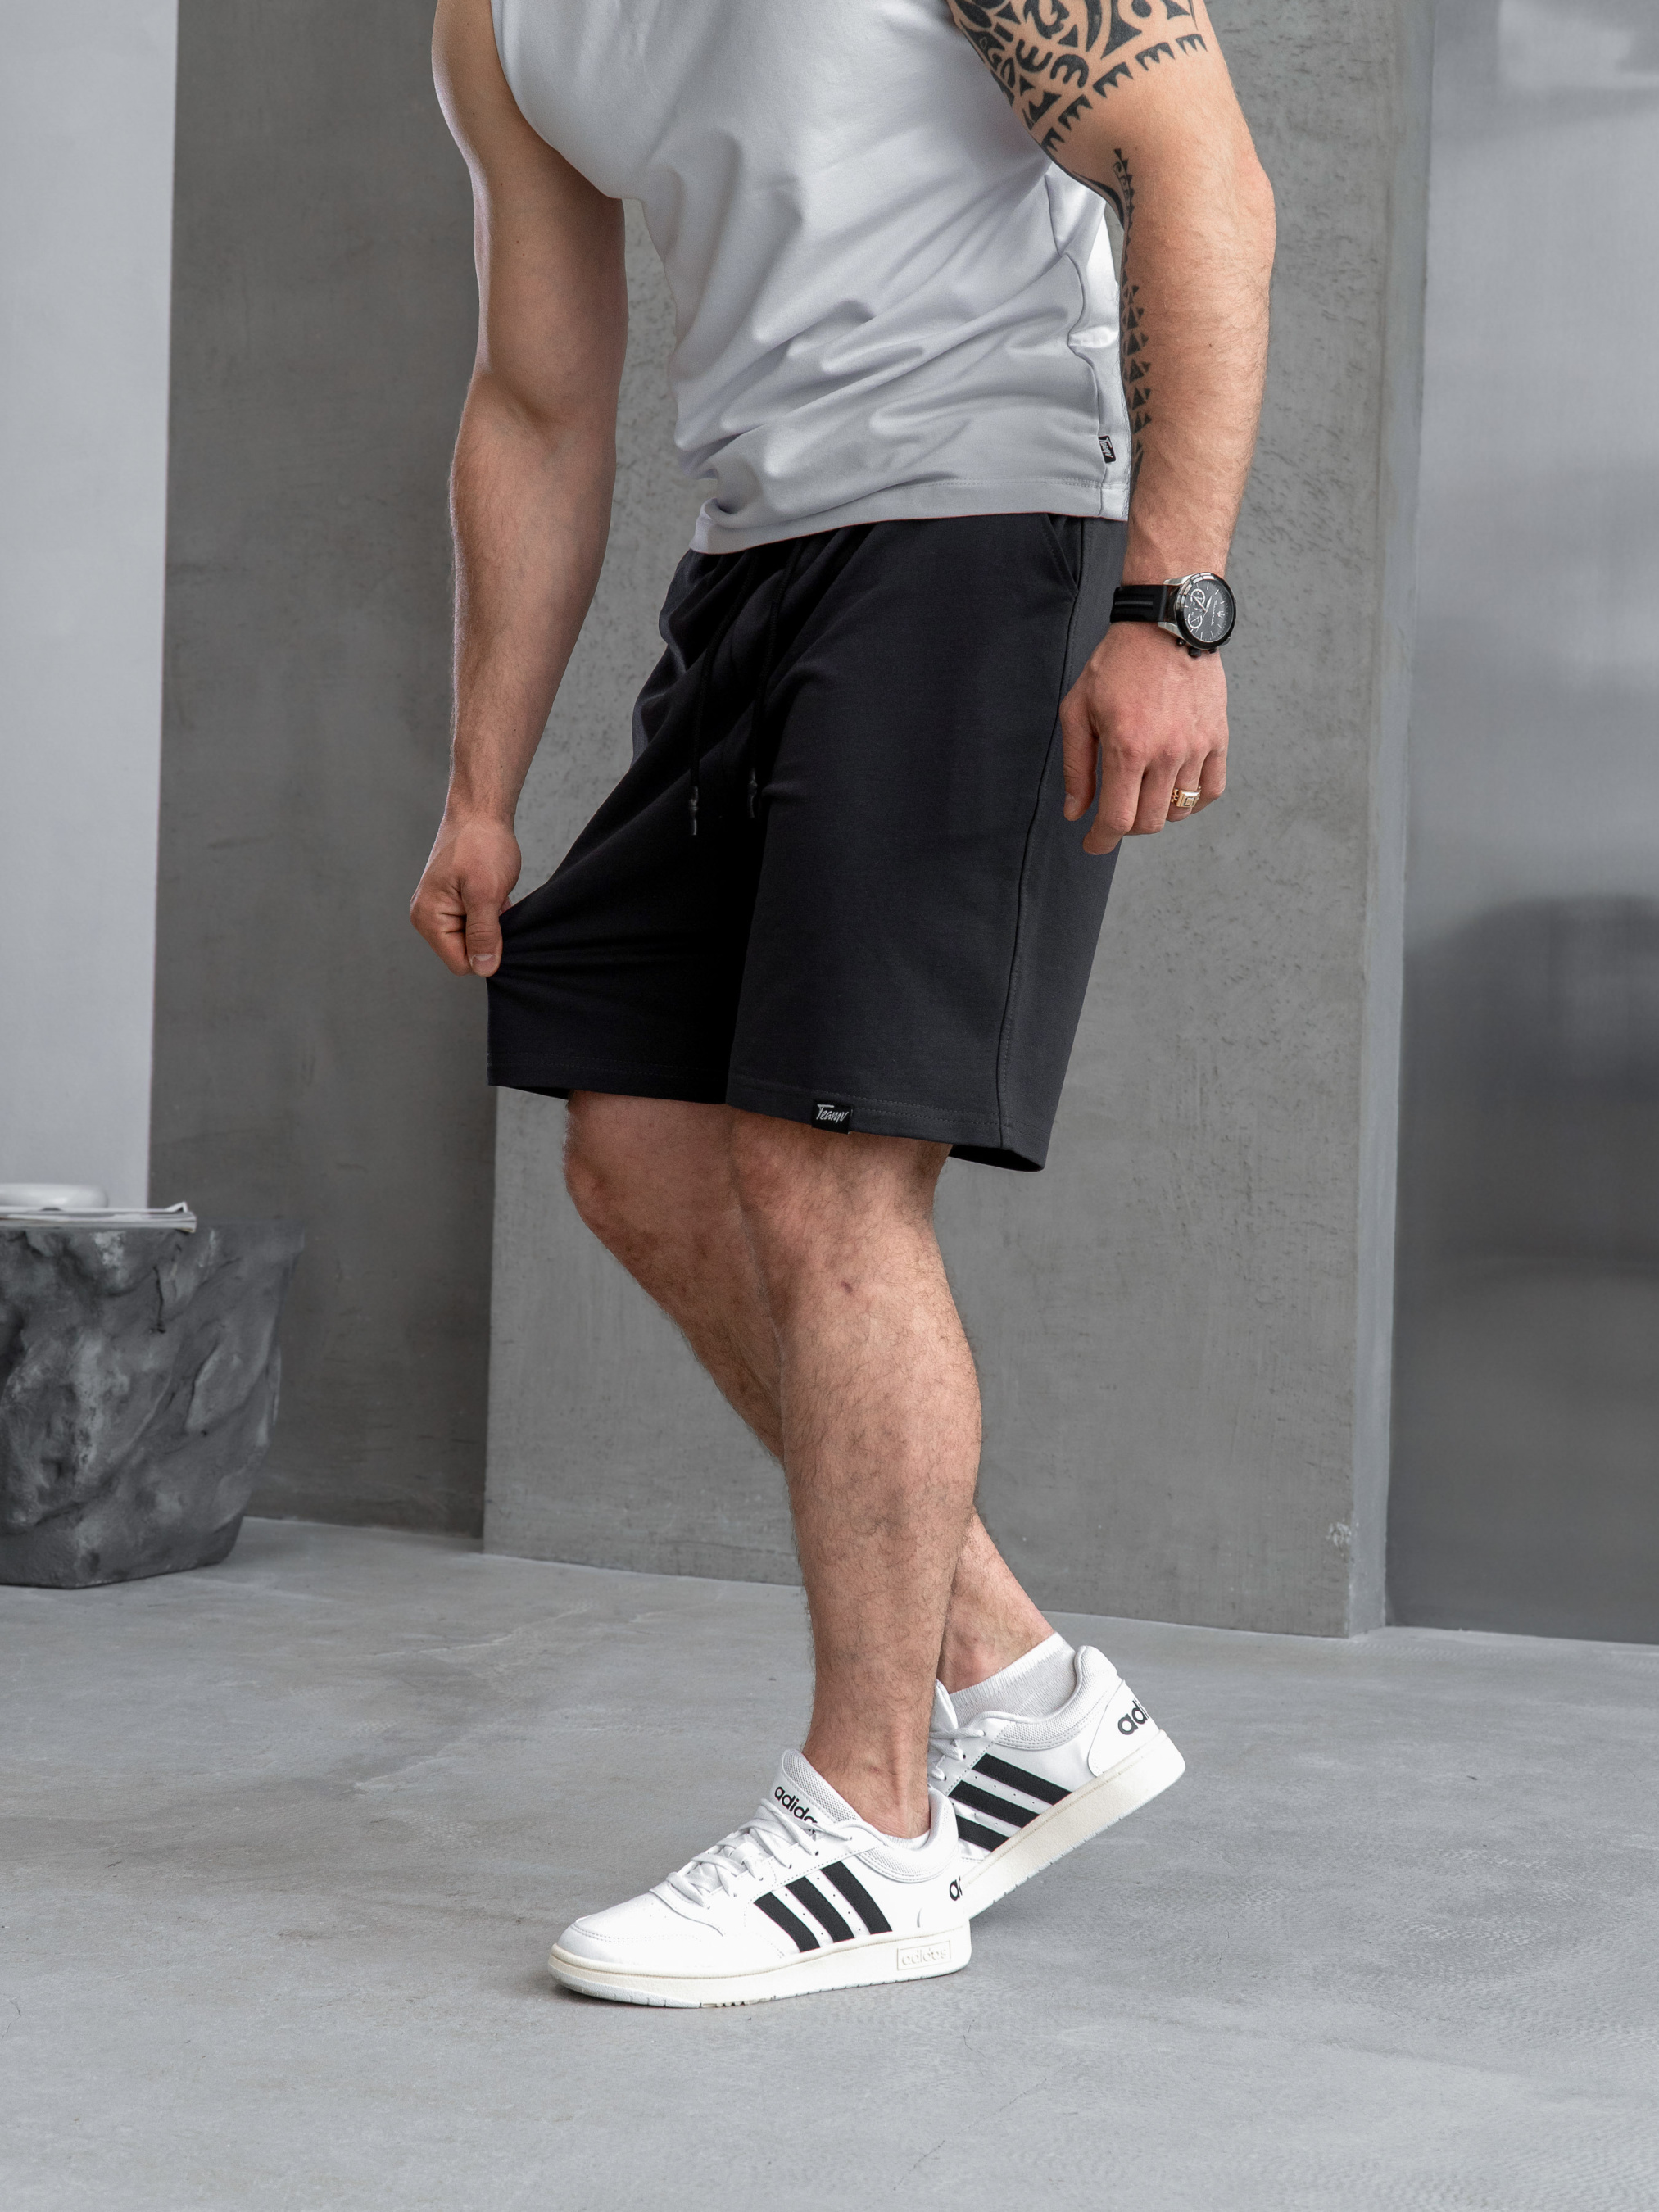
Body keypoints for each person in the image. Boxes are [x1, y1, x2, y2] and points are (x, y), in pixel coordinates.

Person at [412, 0, 1274, 2008]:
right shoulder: (492, 22)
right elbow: (536, 398)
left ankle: (874, 1829)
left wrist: (1169, 606)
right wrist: (479, 783)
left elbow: (1200, 172)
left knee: (824, 1176)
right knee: (638, 1146)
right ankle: (1020, 1696)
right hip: (758, 561)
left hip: (990, 527)